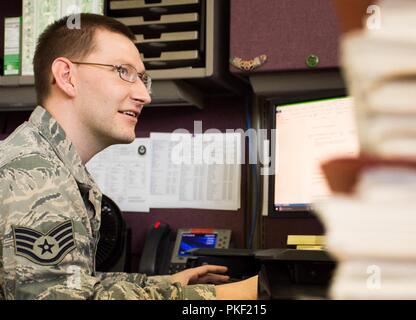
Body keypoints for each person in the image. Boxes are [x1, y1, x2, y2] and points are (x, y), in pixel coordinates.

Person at [0, 13, 258, 300]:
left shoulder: (48, 163)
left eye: (143, 79)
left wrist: (169, 284)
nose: (144, 95)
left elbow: (73, 283)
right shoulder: (33, 177)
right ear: (66, 76)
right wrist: (227, 297)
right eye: (124, 72)